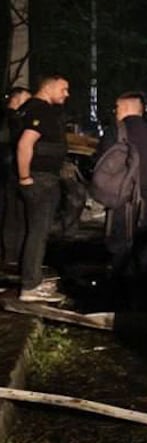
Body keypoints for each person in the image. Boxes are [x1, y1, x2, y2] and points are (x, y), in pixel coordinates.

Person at [104, 92, 147, 299]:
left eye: (117, 107)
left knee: (119, 246)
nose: (115, 111)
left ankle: (117, 294)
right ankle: (143, 293)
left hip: (121, 199)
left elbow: (100, 164)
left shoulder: (114, 133)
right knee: (146, 248)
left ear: (126, 108)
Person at [15, 76, 71, 302]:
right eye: (63, 88)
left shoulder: (28, 108)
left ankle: (32, 277)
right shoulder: (42, 111)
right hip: (40, 179)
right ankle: (30, 286)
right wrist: (25, 178)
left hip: (39, 177)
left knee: (34, 230)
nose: (67, 94)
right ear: (48, 87)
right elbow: (25, 144)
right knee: (38, 232)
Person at [0, 86, 31, 271]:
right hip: (10, 173)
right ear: (16, 99)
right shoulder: (14, 120)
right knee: (13, 215)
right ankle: (11, 255)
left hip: (5, 172)